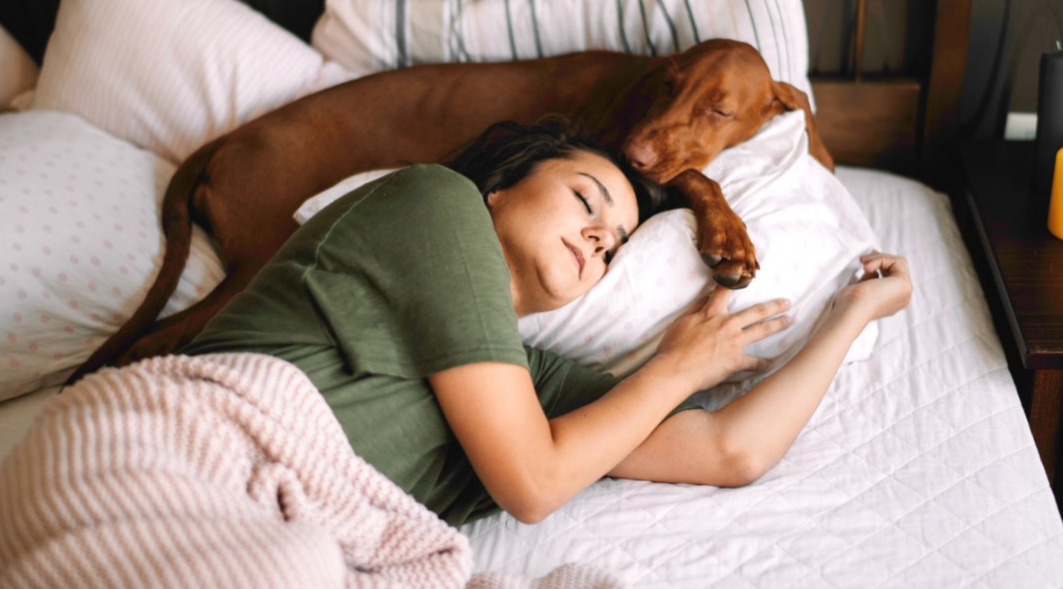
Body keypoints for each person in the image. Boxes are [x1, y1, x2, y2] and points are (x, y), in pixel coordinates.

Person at [181, 114, 913, 527]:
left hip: (274, 541)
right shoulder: (436, 203)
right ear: (501, 187)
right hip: (188, 453)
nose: (600, 238)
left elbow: (732, 450)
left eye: (615, 246)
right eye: (587, 199)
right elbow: (532, 483)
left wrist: (852, 313)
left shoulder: (529, 394)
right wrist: (677, 368)